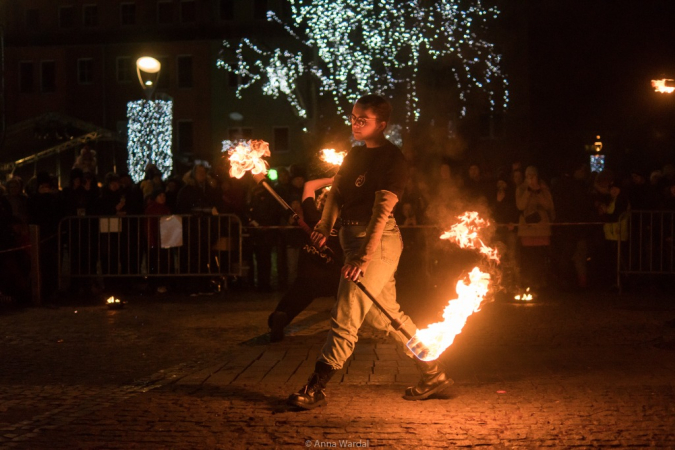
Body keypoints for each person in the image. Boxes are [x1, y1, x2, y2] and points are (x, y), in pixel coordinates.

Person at [287, 94, 452, 410]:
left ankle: (316, 386)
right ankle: (433, 373)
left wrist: (363, 258)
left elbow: (381, 212)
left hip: (376, 243)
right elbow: (335, 192)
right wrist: (324, 227)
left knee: (345, 315)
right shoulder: (353, 154)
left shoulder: (393, 159)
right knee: (385, 318)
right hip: (353, 240)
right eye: (353, 117)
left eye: (363, 119)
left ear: (383, 124)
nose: (355, 123)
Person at [268, 177, 342, 342]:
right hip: (334, 276)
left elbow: (309, 185)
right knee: (346, 300)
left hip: (308, 274)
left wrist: (332, 179)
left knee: (294, 302)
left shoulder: (311, 216)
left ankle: (282, 316)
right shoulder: (344, 224)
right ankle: (344, 328)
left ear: (321, 203)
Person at [516, 166, 555, 290]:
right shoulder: (521, 189)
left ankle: (541, 282)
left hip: (541, 228)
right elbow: (520, 206)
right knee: (528, 257)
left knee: (541, 257)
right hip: (527, 229)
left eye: (533, 175)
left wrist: (538, 191)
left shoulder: (544, 188)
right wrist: (528, 191)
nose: (531, 178)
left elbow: (548, 205)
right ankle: (528, 282)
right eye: (528, 176)